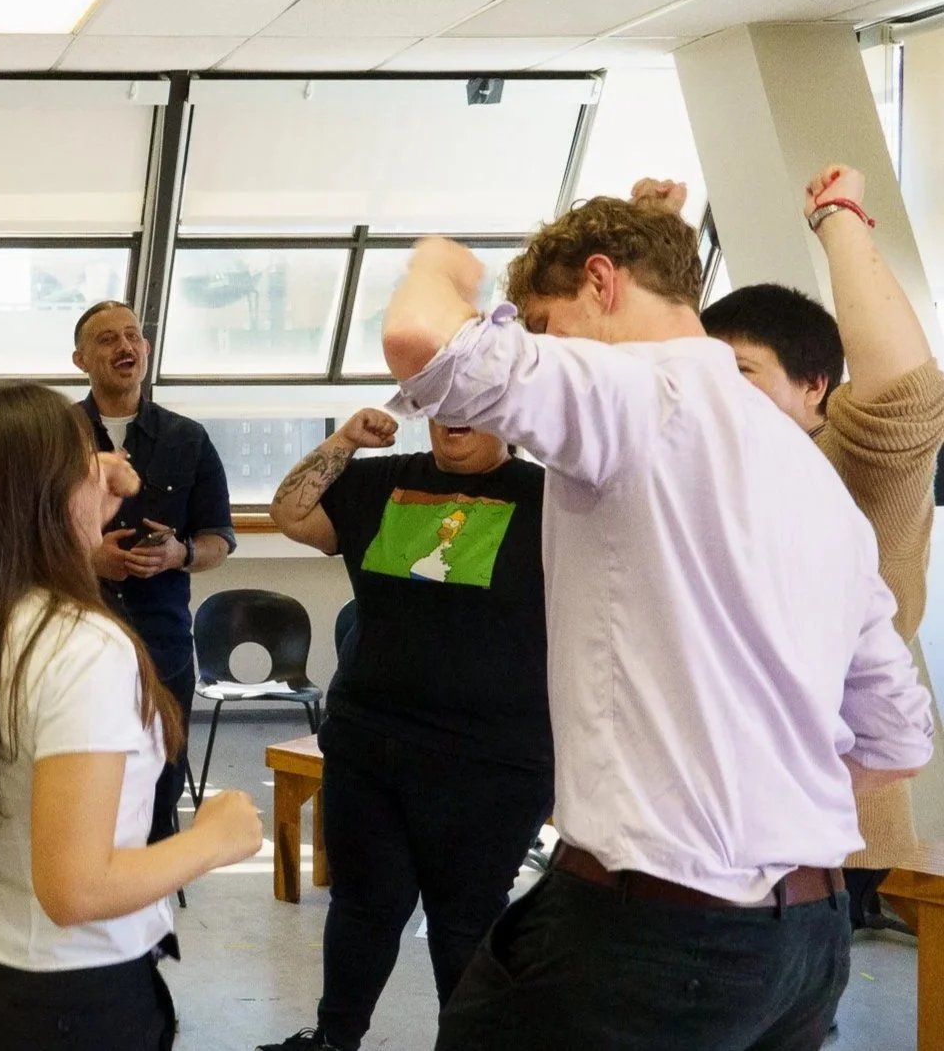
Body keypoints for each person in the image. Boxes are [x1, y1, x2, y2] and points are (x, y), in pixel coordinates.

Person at [377, 203, 933, 1049]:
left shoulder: (639, 393)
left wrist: (441, 263)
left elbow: (421, 339)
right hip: (804, 947)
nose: (544, 349)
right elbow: (898, 738)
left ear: (601, 282)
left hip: (659, 935)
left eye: (545, 326)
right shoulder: (809, 472)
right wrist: (752, 802)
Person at [0, 381, 262, 1050]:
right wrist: (214, 839)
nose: (105, 479)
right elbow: (76, 888)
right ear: (45, 497)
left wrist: (78, 501)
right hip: (59, 1001)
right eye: (84, 467)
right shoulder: (80, 646)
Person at [686, 166, 944, 938]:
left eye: (741, 374)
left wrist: (838, 216)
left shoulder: (847, 465)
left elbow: (906, 393)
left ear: (814, 389)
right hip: (689, 816)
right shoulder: (687, 464)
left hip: (811, 833)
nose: (717, 394)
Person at [259, 408, 549, 1051]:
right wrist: (345, 441)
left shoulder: (549, 497)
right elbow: (290, 514)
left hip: (490, 759)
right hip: (368, 741)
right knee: (364, 904)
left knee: (464, 919)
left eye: (473, 398)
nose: (454, 413)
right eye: (442, 398)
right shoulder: (381, 480)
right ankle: (335, 1039)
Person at [70, 300, 234, 845]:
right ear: (80, 359)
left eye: (133, 336)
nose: (125, 347)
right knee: (79, 789)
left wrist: (179, 555)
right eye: (107, 339)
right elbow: (18, 537)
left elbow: (219, 538)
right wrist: (88, 557)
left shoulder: (189, 438)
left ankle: (156, 885)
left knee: (160, 790)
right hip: (74, 642)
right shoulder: (51, 435)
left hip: (161, 645)